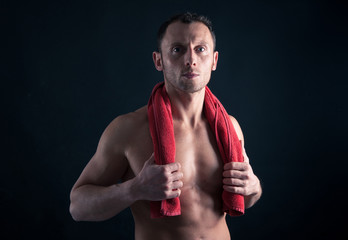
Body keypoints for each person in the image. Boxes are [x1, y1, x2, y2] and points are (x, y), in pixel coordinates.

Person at [69, 12, 262, 239]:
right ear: (158, 60)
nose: (190, 59)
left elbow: (246, 199)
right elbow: (78, 207)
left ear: (214, 61)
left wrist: (254, 187)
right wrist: (134, 189)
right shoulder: (128, 130)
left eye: (200, 49)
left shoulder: (230, 128)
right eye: (177, 49)